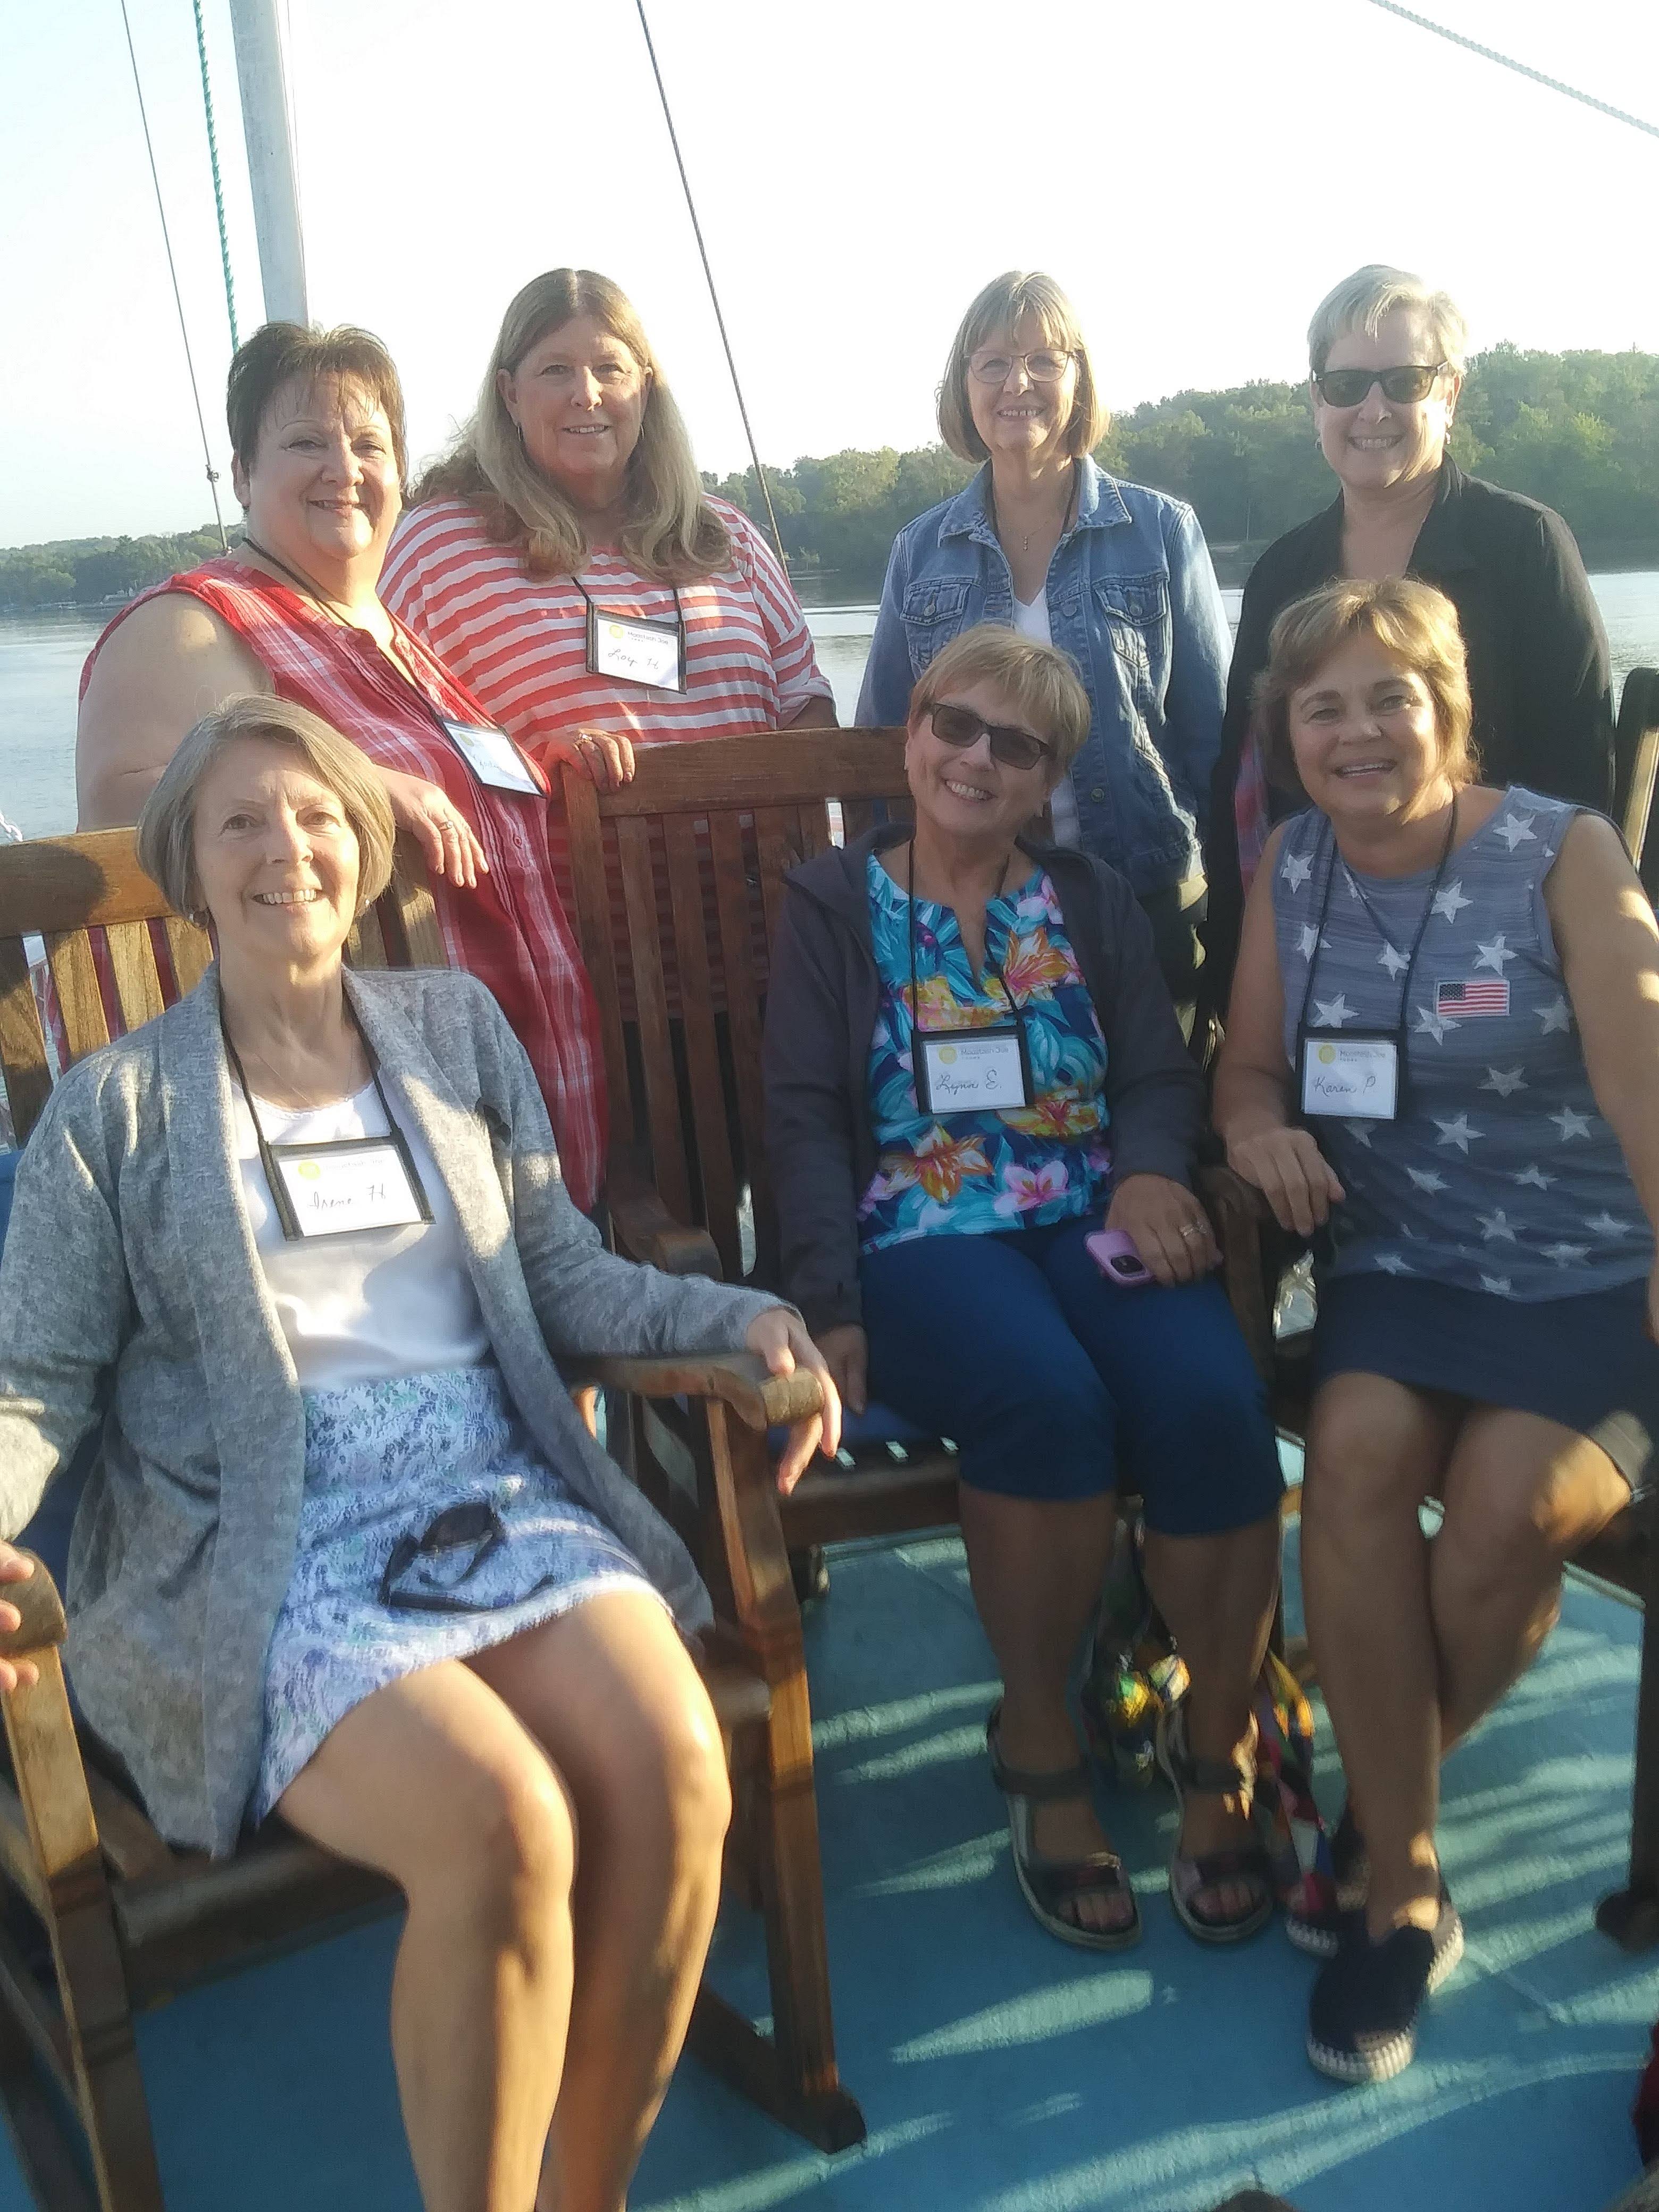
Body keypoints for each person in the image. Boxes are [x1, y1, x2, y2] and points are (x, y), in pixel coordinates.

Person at [0, 695, 839, 2212]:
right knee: (502, 1826)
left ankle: (588, 2193)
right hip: (266, 1549)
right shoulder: (110, 1113)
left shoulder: (455, 1035)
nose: (287, 848)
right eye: (242, 821)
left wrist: (738, 1316)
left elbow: (562, 1273)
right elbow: (33, 1383)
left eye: (317, 813)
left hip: (494, 1493)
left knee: (678, 1765)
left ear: (364, 847)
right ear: (189, 865)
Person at [766, 624, 1284, 1949]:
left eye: (1018, 744)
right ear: (912, 734)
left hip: (1094, 1214)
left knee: (1214, 1399)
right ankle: (1040, 1739)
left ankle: (1217, 1742)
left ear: (1051, 778)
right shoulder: (833, 904)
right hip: (918, 1230)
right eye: (954, 724)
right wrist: (828, 1308)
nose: (976, 758)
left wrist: (1153, 1173)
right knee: (1044, 1397)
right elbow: (806, 1116)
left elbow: (1156, 1071)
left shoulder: (1091, 897)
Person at [1213, 576, 1659, 2085]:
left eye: (1389, 698)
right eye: (1322, 707)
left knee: (1505, 1512)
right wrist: (1261, 1132)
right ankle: (1403, 1882)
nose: (1357, 732)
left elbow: (1646, 1077)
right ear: (1288, 733)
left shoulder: (1562, 853)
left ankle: (1369, 1816)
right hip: (1403, 1262)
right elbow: (1248, 1071)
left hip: (1599, 1268)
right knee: (1349, 1456)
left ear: (1448, 711)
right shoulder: (1291, 866)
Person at [75, 322, 608, 1216]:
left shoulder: (400, 641)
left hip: (508, 1146)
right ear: (242, 473)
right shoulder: (194, 623)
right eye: (305, 443)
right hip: (345, 1167)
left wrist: (547, 770)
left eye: (369, 444)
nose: (345, 468)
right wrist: (348, 784)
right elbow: (120, 828)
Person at [381, 267, 835, 993]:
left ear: (645, 388)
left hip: (769, 963)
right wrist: (532, 766)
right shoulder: (437, 549)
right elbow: (383, 735)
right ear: (509, 394)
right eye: (555, 370)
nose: (585, 394)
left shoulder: (730, 537)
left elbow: (806, 705)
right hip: (567, 978)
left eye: (609, 369)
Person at [1202, 264, 1613, 1015]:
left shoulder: (1523, 546)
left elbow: (1577, 776)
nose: (1373, 408)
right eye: (1345, 385)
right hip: (1317, 945)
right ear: (1316, 402)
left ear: (1449, 392)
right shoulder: (1283, 573)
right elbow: (1245, 782)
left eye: (1404, 381)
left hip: (1499, 947)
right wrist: (1229, 986)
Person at [856, 271, 1233, 1027]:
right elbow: (881, 746)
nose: (1016, 383)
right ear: (963, 385)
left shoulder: (1162, 532)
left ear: (1079, 378)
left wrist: (1234, 908)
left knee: (1159, 1096)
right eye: (993, 362)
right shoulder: (919, 552)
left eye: (1042, 361)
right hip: (967, 912)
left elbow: (1216, 745)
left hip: (1147, 903)